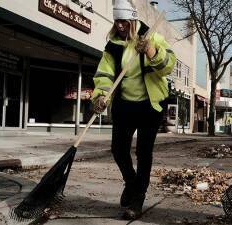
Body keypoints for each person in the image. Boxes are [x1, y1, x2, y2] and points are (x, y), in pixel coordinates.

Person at [90, 0, 176, 220]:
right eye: (117, 21)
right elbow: (104, 75)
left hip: (150, 105)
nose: (120, 25)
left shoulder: (153, 37)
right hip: (124, 105)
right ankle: (131, 183)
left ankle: (138, 199)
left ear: (133, 19)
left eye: (124, 21)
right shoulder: (113, 46)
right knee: (118, 149)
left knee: (143, 153)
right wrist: (101, 96)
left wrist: (150, 50)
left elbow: (169, 65)